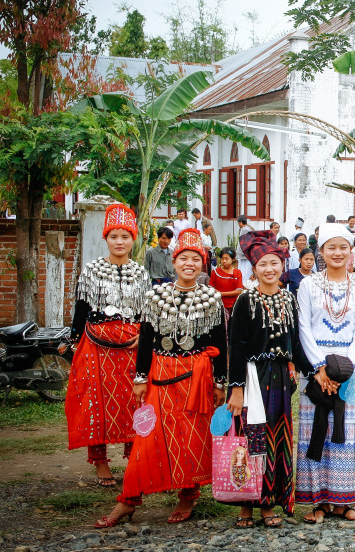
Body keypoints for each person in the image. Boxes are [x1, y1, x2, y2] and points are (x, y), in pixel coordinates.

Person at [95, 229, 227, 528]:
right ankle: (128, 499)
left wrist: (220, 384)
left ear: (203, 264)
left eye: (196, 259)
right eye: (184, 258)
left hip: (197, 378)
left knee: (193, 438)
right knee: (148, 439)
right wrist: (140, 378)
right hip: (161, 375)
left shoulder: (211, 298)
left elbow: (220, 343)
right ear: (174, 263)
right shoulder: (156, 295)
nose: (189, 263)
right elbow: (146, 340)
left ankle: (188, 494)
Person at [65, 204, 150, 488]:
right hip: (96, 345)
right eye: (114, 236)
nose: (119, 242)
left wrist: (146, 339)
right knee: (95, 404)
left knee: (133, 402)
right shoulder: (91, 270)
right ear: (105, 238)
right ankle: (100, 462)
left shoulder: (141, 273)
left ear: (133, 239)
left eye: (125, 236)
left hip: (132, 345)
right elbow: (81, 308)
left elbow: (147, 313)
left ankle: (133, 457)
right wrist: (75, 343)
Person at [224, 231, 303, 528]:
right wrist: (236, 388)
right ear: (253, 269)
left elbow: (294, 343)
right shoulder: (246, 301)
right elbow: (237, 347)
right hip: (253, 378)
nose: (269, 270)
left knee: (276, 439)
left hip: (281, 378)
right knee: (250, 438)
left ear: (282, 264)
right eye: (262, 265)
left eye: (274, 263)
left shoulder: (288, 298)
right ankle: (246, 505)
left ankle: (269, 503)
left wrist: (314, 370)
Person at [296, 224, 355, 523]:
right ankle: (318, 502)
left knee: (346, 433)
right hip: (316, 370)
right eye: (331, 247)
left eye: (343, 247)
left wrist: (346, 368)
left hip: (347, 370)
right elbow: (303, 328)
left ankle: (345, 501)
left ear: (350, 251)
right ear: (321, 252)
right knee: (314, 431)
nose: (337, 253)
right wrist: (318, 369)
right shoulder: (308, 285)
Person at [210, 246, 244, 320]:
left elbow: (238, 291)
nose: (224, 261)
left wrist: (221, 293)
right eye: (222, 259)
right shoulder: (215, 272)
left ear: (233, 259)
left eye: (226, 259)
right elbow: (211, 288)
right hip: (218, 306)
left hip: (233, 306)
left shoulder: (237, 273)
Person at [235, 215, 253, 283]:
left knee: (245, 270)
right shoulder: (244, 229)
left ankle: (244, 282)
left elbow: (245, 242)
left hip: (244, 253)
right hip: (243, 253)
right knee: (242, 268)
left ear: (240, 222)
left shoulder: (246, 230)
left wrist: (242, 252)